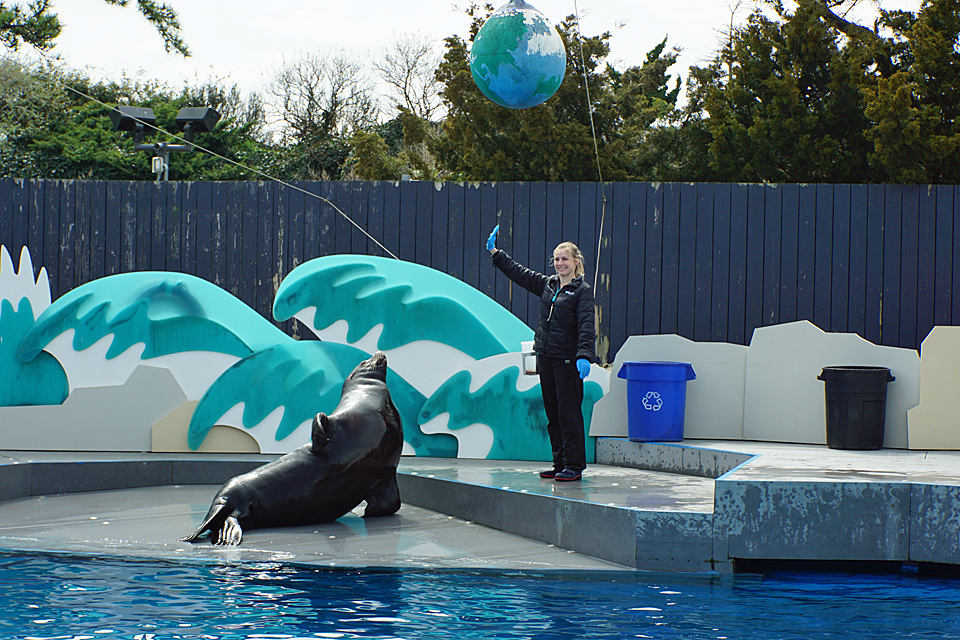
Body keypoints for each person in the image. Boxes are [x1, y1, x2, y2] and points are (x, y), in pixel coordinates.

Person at [486, 224, 596, 481]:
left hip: (568, 359)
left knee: (569, 414)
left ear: (576, 262)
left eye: (564, 259)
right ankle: (559, 462)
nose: (559, 264)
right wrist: (495, 253)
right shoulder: (548, 285)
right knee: (553, 414)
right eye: (556, 259)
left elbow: (587, 325)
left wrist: (584, 355)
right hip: (546, 357)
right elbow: (519, 274)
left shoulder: (581, 291)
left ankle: (574, 465)